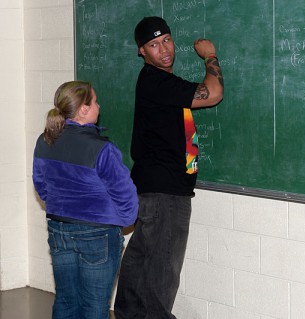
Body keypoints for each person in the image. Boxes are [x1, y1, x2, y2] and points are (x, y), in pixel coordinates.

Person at [114, 16, 224, 319]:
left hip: (152, 188)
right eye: (153, 44)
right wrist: (211, 56)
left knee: (140, 261)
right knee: (162, 272)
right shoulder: (156, 81)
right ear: (142, 51)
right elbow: (213, 93)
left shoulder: (158, 83)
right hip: (164, 192)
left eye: (166, 40)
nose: (163, 49)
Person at [32, 81, 139, 319]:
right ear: (83, 109)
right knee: (94, 306)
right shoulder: (102, 148)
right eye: (95, 101)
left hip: (59, 228)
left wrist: (62, 206)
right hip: (98, 234)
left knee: (66, 301)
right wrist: (121, 221)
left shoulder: (45, 140)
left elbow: (41, 184)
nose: (99, 106)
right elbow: (125, 193)